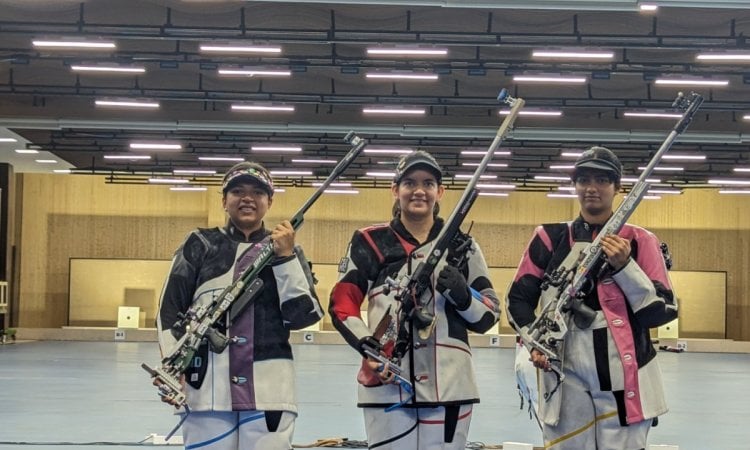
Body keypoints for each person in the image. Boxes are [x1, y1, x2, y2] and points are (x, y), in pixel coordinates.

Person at [506, 146, 678, 449]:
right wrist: (534, 343)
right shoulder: (549, 237)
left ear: (617, 187)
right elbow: (517, 299)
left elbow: (662, 311)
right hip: (563, 371)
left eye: (602, 180)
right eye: (583, 179)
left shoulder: (640, 241)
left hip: (626, 376)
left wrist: (625, 267)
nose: (591, 188)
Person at [329, 150, 500, 449]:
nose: (419, 190)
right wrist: (368, 345)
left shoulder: (464, 246)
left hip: (450, 385)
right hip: (385, 383)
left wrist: (463, 297)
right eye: (409, 183)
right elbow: (342, 302)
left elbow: (489, 315)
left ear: (441, 191)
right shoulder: (369, 240)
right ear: (395, 190)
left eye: (428, 183)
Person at [155, 161, 323, 450]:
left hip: (269, 390)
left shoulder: (288, 250)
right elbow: (169, 311)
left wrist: (285, 259)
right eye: (237, 191)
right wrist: (172, 367)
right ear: (224, 200)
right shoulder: (199, 244)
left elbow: (303, 317)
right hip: (206, 387)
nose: (247, 198)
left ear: (269, 202)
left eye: (257, 192)